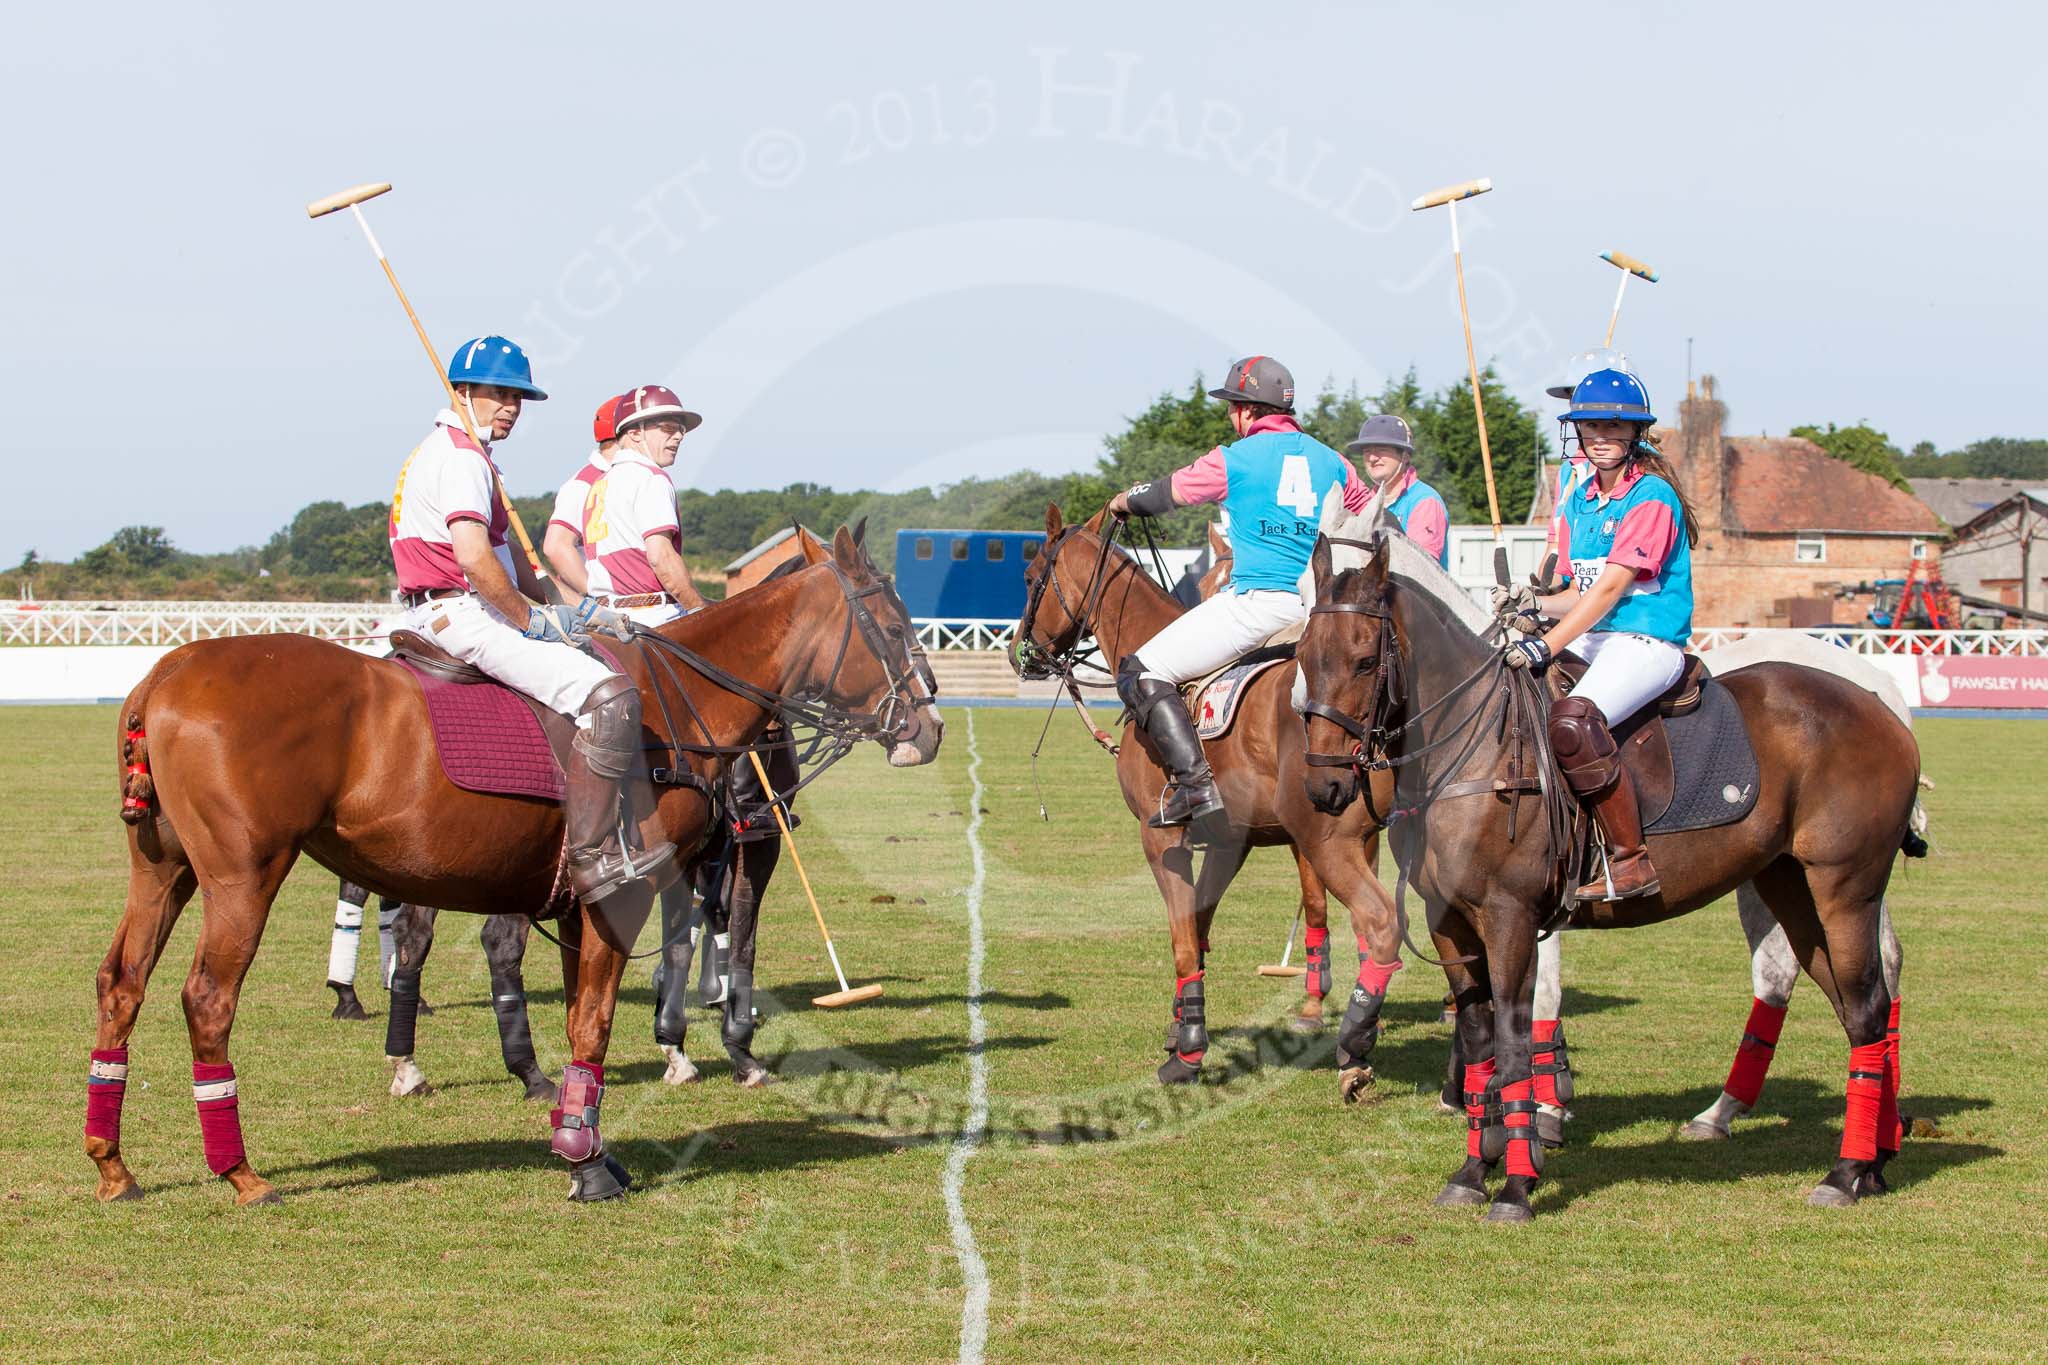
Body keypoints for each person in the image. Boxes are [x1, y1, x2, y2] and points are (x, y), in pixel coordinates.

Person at [386, 335, 672, 906]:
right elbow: (473, 557)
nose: (510, 406)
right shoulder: (463, 457)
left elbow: (518, 564)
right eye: (498, 393)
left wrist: (574, 611)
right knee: (610, 695)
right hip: (461, 612)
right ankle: (593, 856)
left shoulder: (460, 452)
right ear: (461, 390)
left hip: (440, 609)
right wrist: (533, 622)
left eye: (519, 396)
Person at [1106, 354, 1370, 839]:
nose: (1230, 416)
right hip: (1321, 611)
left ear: (1249, 410)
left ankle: (1194, 785)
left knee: (1140, 671)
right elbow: (1371, 515)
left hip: (1261, 603)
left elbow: (1166, 493)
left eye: (1233, 407)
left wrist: (1124, 500)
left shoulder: (1234, 458)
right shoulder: (1333, 461)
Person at [1496, 368, 1698, 900]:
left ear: (1635, 434)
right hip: (1597, 637)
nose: (1601, 438)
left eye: (1614, 427)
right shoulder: (1580, 499)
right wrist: (1531, 601)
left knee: (1572, 721)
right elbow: (1576, 591)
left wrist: (1546, 643)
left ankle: (1630, 860)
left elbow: (1609, 591)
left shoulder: (1652, 496)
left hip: (1647, 642)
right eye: (1591, 427)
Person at [581, 384, 710, 621]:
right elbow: (661, 557)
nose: (679, 436)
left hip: (605, 617)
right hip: (653, 614)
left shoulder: (601, 481)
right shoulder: (651, 477)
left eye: (681, 430)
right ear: (635, 433)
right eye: (668, 428)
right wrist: (700, 611)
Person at [542, 394, 626, 596]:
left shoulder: (625, 479)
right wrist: (593, 595)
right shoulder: (583, 484)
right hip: (598, 610)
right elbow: (556, 546)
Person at [1344, 413, 1448, 567]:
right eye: (1367, 451)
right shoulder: (1365, 503)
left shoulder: (1425, 501)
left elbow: (1420, 567)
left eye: (1381, 449)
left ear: (1405, 456)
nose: (1372, 458)